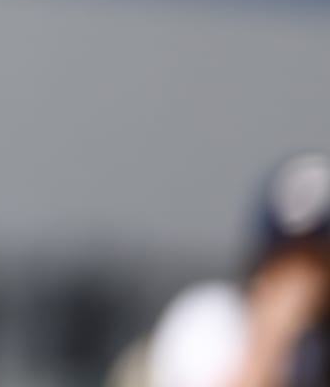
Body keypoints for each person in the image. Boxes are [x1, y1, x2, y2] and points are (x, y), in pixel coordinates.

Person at [108, 151, 330, 387]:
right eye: (289, 261)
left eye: (317, 264)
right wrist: (273, 335)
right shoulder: (211, 320)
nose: (307, 282)